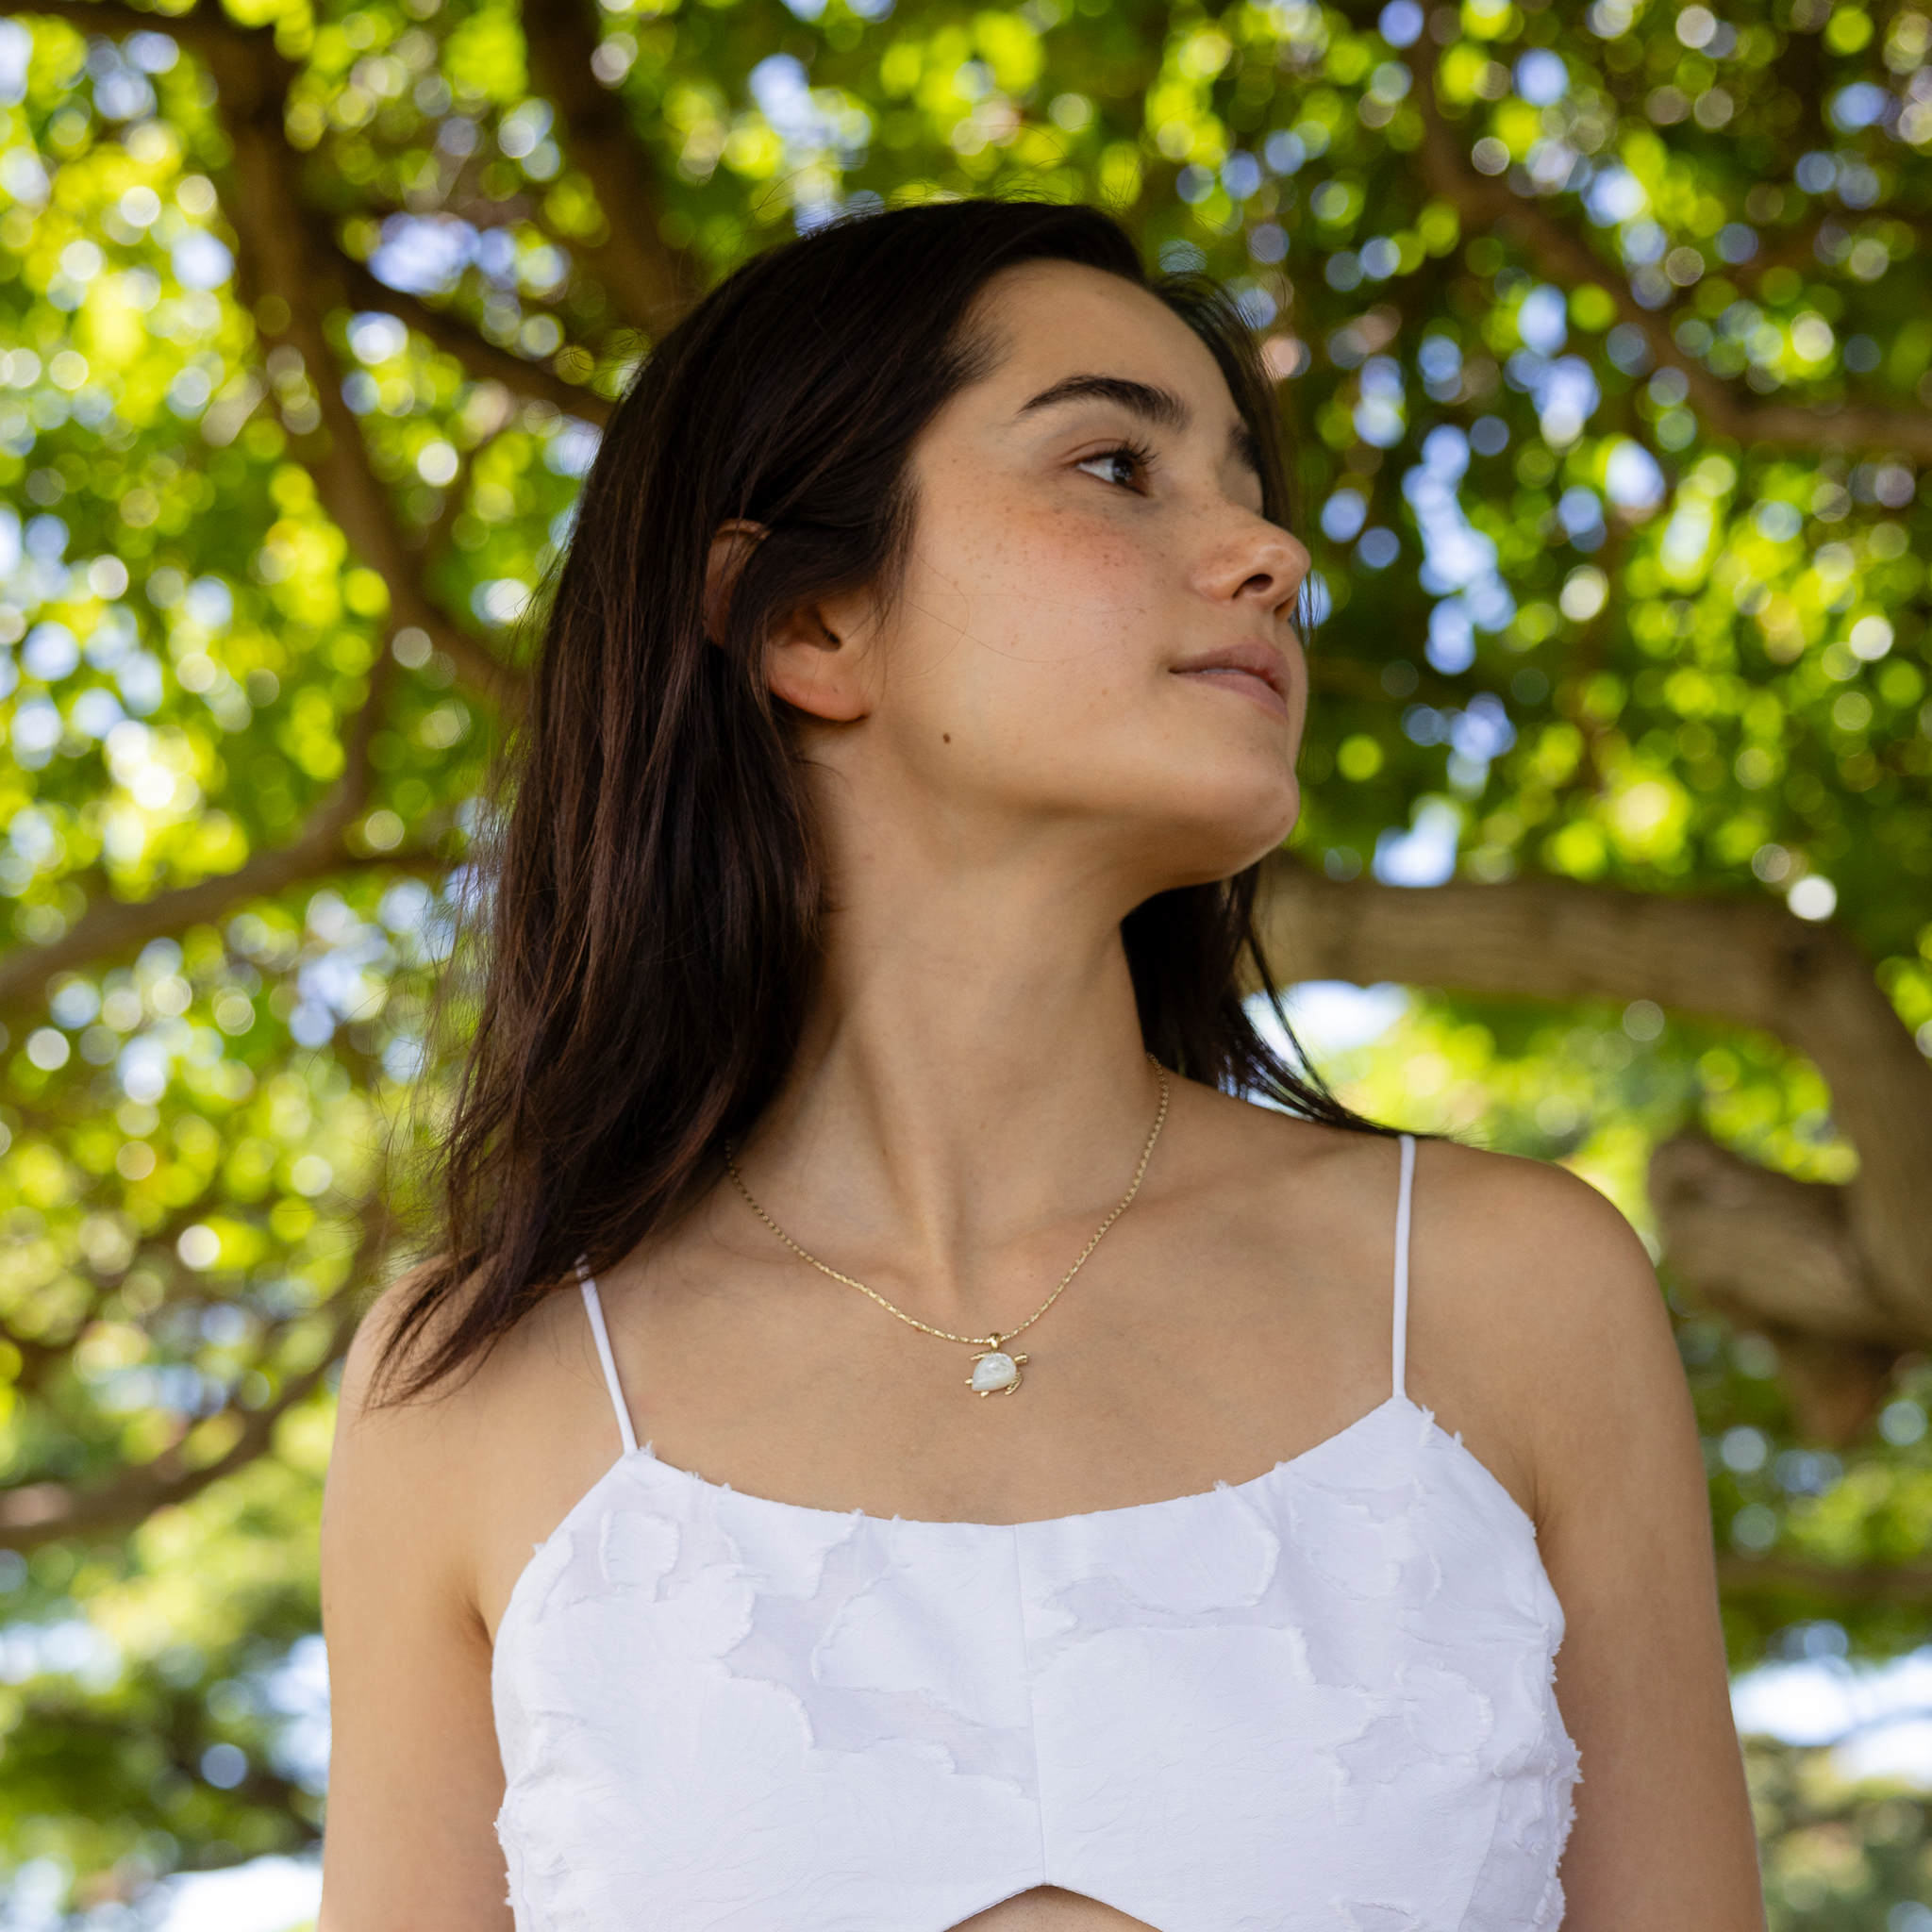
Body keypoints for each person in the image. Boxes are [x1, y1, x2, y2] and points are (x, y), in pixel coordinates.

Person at [319, 200, 1763, 1930]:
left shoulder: (1511, 1293)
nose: (1271, 554)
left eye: (1251, 489)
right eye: (1114, 467)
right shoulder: (474, 1389)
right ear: (810, 626)